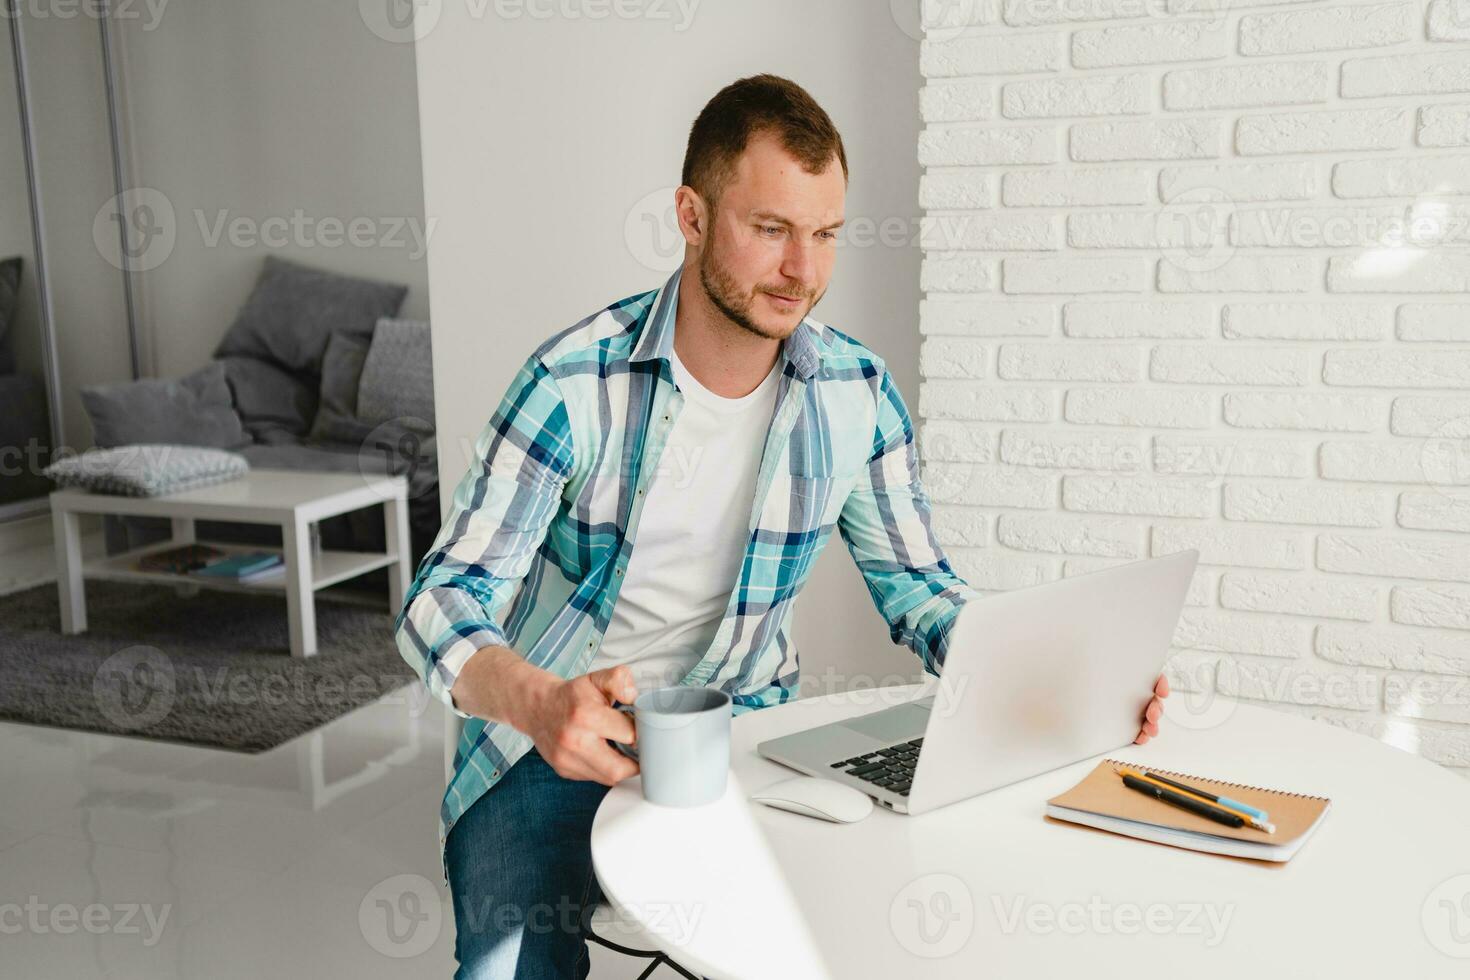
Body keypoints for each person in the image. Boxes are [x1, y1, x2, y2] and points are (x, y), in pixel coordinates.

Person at [394, 72, 1170, 980]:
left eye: (827, 234)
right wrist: (539, 703)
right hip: (554, 743)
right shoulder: (573, 386)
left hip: (748, 736)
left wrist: (1059, 678)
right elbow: (438, 602)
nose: (804, 270)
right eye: (771, 230)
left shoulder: (855, 394)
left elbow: (921, 592)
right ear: (691, 216)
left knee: (849, 935)